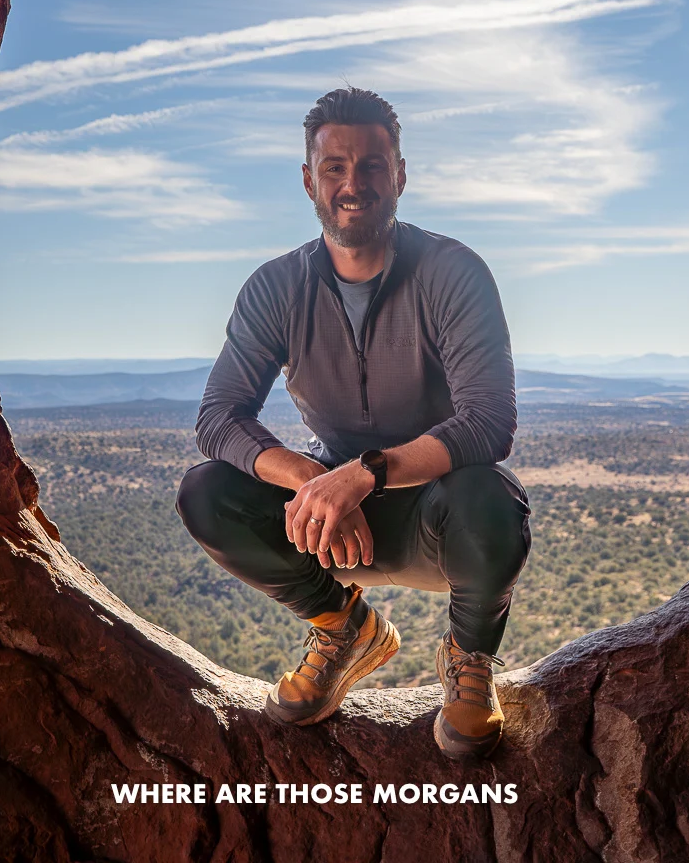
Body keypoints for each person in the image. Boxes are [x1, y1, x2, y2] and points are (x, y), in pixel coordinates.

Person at [176, 86, 530, 760]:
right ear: (309, 180)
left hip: (437, 515)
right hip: (334, 530)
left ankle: (469, 656)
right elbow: (219, 417)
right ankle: (344, 629)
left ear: (399, 174)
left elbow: (489, 423)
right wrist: (318, 481)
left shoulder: (453, 273)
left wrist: (366, 475)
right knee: (207, 491)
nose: (353, 183)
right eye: (335, 167)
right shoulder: (277, 288)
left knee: (493, 497)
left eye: (371, 165)